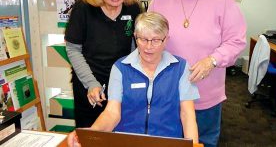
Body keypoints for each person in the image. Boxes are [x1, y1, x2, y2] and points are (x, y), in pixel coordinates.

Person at [149, 0, 247, 147]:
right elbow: (149, 39)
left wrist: (211, 60)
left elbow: (236, 41)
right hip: (168, 95)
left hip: (206, 95)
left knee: (203, 142)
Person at [67, 12, 200, 146]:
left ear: (166, 39)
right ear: (135, 37)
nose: (148, 47)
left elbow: (187, 114)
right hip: (127, 141)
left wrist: (194, 145)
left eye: (156, 40)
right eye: (143, 39)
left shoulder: (181, 68)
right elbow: (112, 112)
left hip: (167, 142)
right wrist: (92, 134)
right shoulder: (120, 68)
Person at [65, 0, 141, 127]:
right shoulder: (83, 7)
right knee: (91, 136)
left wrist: (128, 80)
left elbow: (134, 47)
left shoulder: (133, 7)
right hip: (89, 84)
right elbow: (73, 49)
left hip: (122, 84)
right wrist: (91, 84)